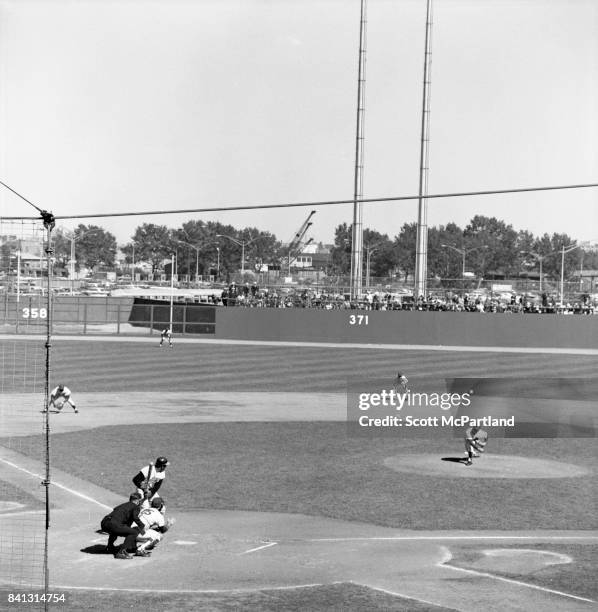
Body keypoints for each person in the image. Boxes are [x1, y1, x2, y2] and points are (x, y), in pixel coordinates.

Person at [100, 492, 148, 559]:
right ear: (137, 500)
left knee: (116, 529)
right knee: (134, 532)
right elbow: (135, 518)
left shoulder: (123, 505)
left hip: (104, 523)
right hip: (114, 524)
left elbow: (116, 512)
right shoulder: (135, 507)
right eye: (139, 501)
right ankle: (121, 552)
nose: (140, 502)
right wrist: (142, 526)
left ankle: (109, 547)